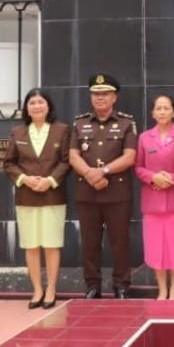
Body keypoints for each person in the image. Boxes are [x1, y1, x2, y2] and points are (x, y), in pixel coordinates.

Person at [69, 73, 138, 299]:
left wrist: (103, 171)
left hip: (117, 193)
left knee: (120, 242)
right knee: (90, 243)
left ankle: (121, 285)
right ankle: (92, 285)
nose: (100, 97)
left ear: (114, 97)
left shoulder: (126, 123)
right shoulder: (80, 123)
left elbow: (129, 157)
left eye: (105, 93)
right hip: (87, 192)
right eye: (96, 94)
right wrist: (90, 174)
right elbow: (73, 156)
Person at [3, 88, 71, 309]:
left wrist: (50, 180)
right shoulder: (18, 132)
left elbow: (66, 161)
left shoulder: (62, 130)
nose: (37, 106)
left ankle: (51, 289)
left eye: (41, 102)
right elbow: (9, 163)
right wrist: (24, 179)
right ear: (27, 108)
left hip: (53, 195)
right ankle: (37, 289)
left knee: (51, 244)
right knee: (31, 245)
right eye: (32, 103)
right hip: (27, 196)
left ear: (48, 106)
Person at [135, 94, 174, 300]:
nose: (162, 112)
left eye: (166, 108)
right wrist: (153, 177)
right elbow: (138, 167)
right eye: (158, 108)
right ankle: (161, 289)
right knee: (155, 247)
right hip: (152, 201)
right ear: (152, 113)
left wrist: (173, 178)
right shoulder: (144, 138)